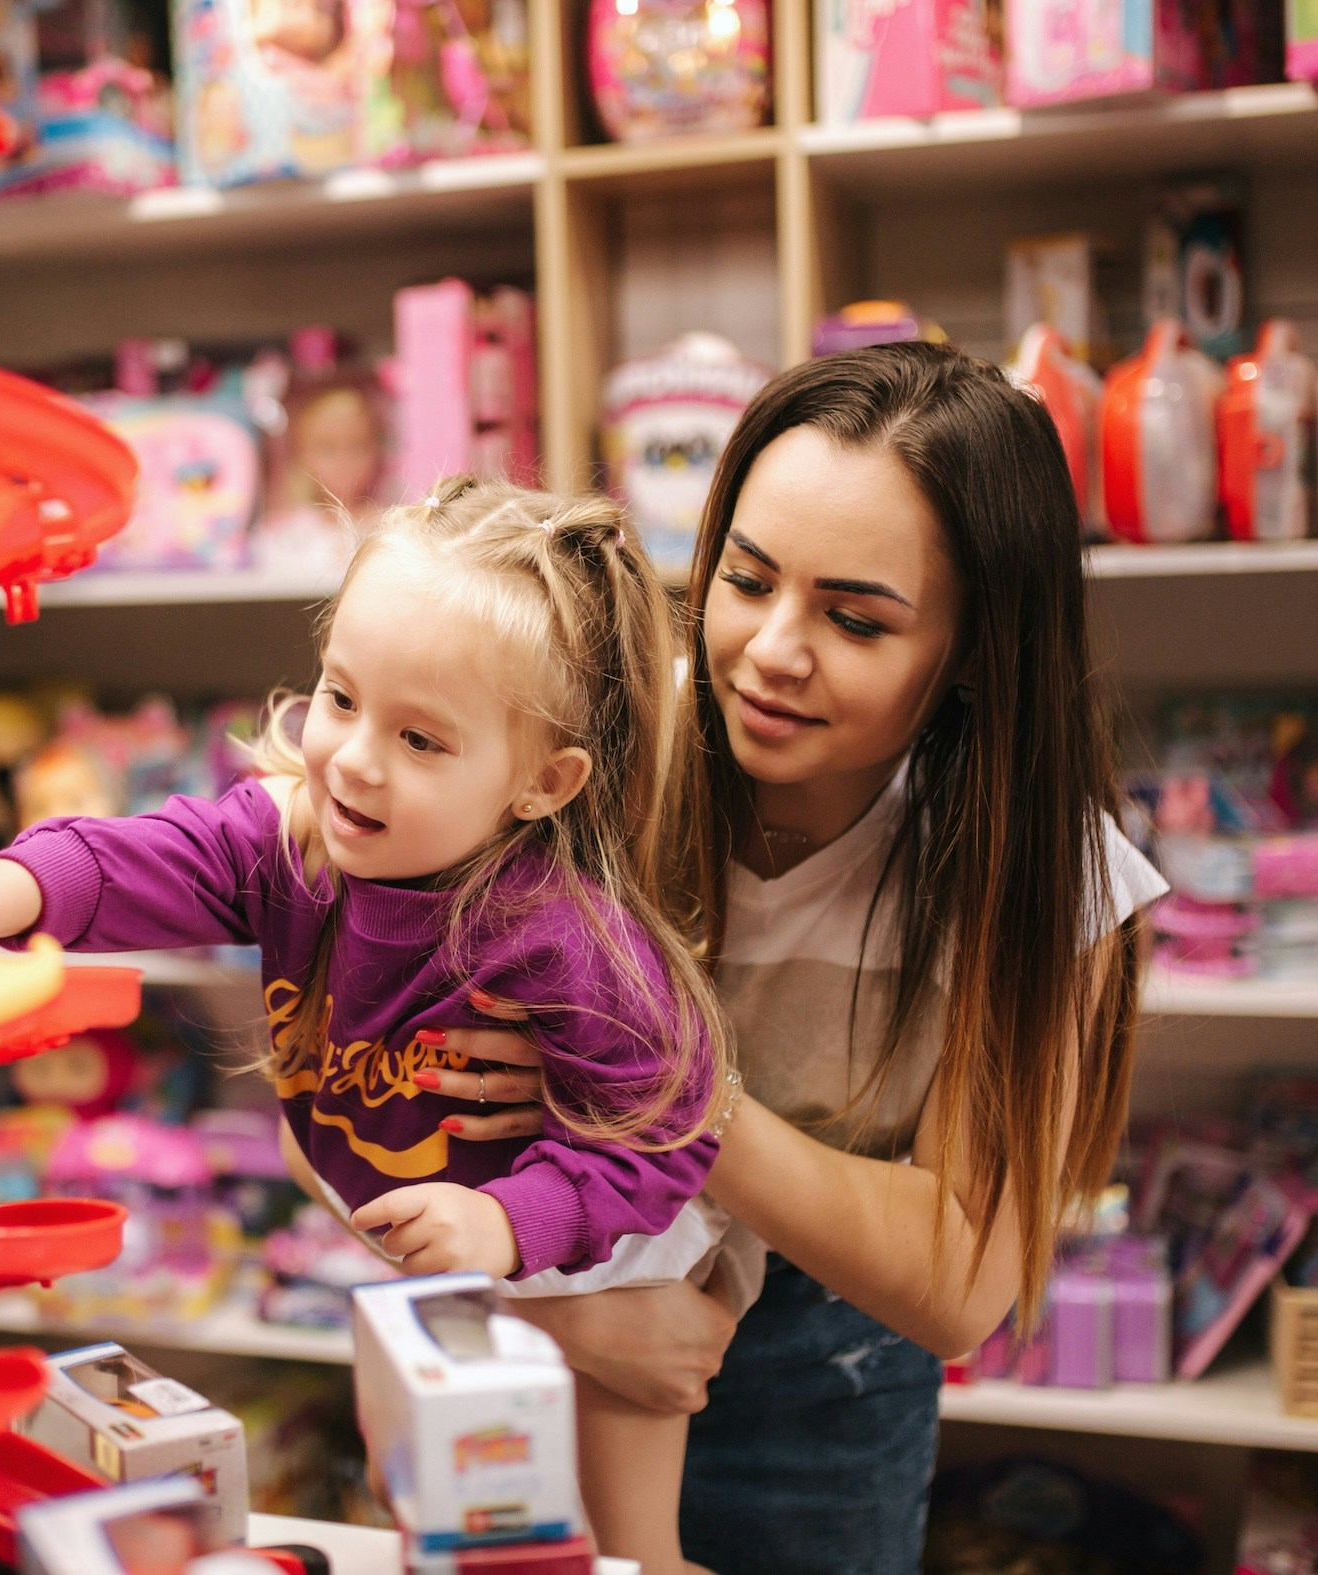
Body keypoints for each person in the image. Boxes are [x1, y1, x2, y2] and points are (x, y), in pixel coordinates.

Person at [0, 477, 739, 1575]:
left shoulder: (560, 937)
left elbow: (666, 1135)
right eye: (341, 696)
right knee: (437, 1505)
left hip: (600, 1263)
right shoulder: (298, 838)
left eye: (422, 740)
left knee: (620, 1553)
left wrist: (508, 1225)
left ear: (540, 784)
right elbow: (136, 857)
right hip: (439, 1254)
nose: (355, 758)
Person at [419, 343, 1169, 1575]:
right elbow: (328, 1068)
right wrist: (567, 1306)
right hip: (523, 1340)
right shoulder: (579, 752)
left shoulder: (1047, 873)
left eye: (855, 619)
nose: (770, 650)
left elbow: (955, 1277)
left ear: (976, 650)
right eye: (746, 578)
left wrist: (669, 1100)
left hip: (827, 1399)